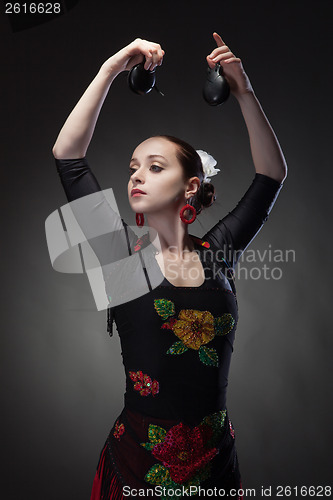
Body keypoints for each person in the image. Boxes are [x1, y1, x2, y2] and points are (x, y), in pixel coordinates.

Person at [52, 33, 287, 500]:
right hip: (138, 464)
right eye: (133, 166)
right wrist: (112, 68)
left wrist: (244, 91)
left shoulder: (217, 252)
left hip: (216, 464)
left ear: (190, 186)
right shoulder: (121, 257)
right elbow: (69, 157)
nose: (137, 174)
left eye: (155, 166)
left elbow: (271, 175)